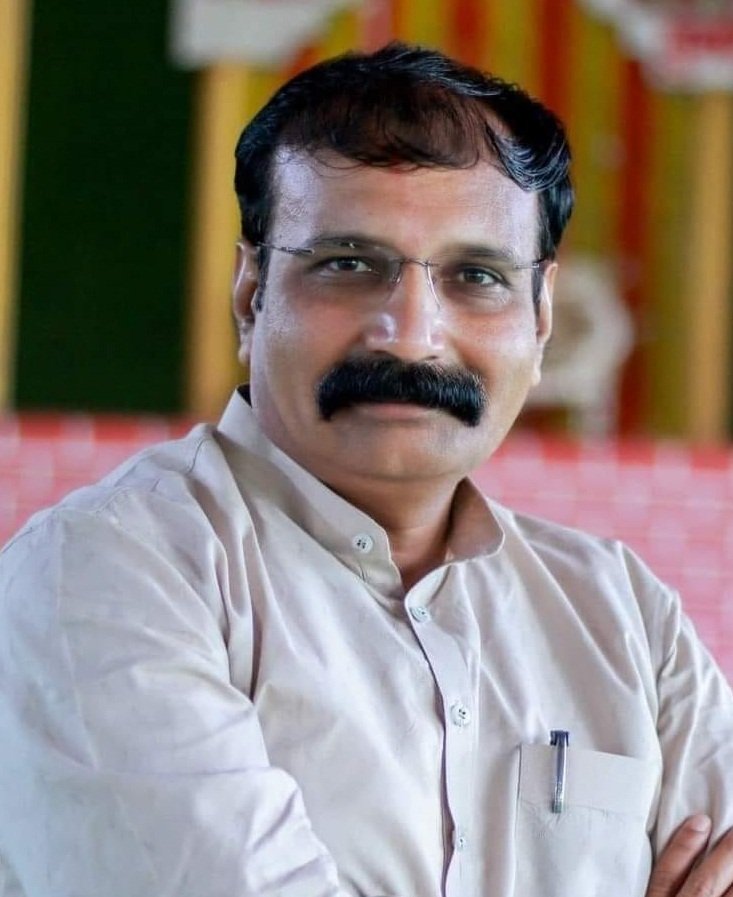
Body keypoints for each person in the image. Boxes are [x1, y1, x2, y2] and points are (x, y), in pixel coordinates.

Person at [1, 41, 733, 897]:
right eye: (347, 264)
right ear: (250, 294)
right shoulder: (105, 572)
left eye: (477, 275)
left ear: (539, 320)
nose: (410, 334)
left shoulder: (622, 612)